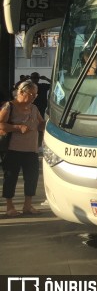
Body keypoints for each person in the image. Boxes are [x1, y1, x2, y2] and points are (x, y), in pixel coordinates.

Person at [0, 80, 45, 216]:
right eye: (31, 94)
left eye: (35, 95)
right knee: (11, 177)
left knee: (32, 177)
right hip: (13, 149)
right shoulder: (10, 106)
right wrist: (17, 127)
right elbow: (0, 124)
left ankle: (28, 206)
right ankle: (10, 207)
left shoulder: (34, 108)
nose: (33, 97)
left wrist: (45, 125)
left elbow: (40, 122)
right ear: (21, 92)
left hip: (31, 149)